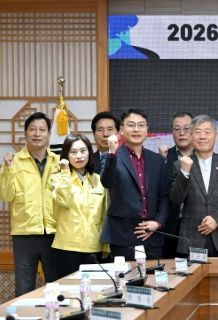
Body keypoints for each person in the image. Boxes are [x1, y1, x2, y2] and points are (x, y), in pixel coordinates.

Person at [0, 112, 59, 295]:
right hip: (24, 234)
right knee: (24, 289)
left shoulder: (59, 162)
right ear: (25, 133)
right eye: (32, 129)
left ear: (49, 134)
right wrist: (9, 170)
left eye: (42, 129)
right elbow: (6, 195)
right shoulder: (13, 162)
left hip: (54, 233)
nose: (37, 134)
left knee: (56, 286)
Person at [100, 108, 170, 260]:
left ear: (147, 130)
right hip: (122, 235)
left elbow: (164, 196)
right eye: (131, 125)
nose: (136, 129)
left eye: (141, 125)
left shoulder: (157, 160)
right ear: (121, 130)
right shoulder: (111, 156)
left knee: (154, 275)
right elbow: (107, 182)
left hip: (152, 234)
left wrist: (158, 223)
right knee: (126, 275)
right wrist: (112, 153)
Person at [170, 115, 218, 257]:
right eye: (198, 132)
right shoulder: (179, 165)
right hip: (192, 239)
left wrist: (217, 219)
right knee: (194, 273)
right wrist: (184, 172)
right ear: (191, 135)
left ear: (215, 136)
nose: (202, 136)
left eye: (207, 132)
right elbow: (176, 200)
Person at [50, 135, 107, 278]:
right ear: (66, 155)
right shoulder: (57, 178)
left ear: (89, 153)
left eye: (83, 151)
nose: (79, 156)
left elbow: (104, 215)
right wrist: (64, 172)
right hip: (67, 247)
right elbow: (65, 201)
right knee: (68, 289)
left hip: (94, 246)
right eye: (73, 152)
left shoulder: (98, 180)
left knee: (94, 288)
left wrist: (107, 244)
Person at [162, 112, 194, 258]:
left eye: (187, 128)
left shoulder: (204, 156)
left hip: (198, 226)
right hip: (170, 226)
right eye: (177, 129)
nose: (182, 133)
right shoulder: (163, 158)